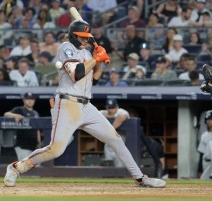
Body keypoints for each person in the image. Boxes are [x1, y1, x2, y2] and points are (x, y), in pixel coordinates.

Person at [3, 19, 166, 188]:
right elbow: (76, 74)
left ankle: (140, 178)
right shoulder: (66, 47)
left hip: (87, 106)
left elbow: (95, 79)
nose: (85, 40)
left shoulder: (87, 54)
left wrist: (100, 60)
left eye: (86, 37)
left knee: (115, 138)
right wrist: (96, 58)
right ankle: (16, 168)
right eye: (82, 37)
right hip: (67, 104)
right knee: (56, 150)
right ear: (73, 36)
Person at [3, 92, 42, 161]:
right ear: (24, 100)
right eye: (27, 99)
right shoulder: (19, 110)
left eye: (32, 99)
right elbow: (6, 114)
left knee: (35, 169)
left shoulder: (36, 113)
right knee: (23, 168)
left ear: (34, 100)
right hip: (22, 146)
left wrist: (39, 143)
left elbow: (37, 130)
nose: (30, 101)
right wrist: (15, 115)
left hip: (34, 147)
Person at [99, 99, 129, 167]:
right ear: (106, 107)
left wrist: (110, 129)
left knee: (120, 165)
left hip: (120, 141)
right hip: (109, 143)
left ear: (117, 107)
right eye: (109, 107)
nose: (111, 109)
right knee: (108, 164)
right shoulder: (103, 112)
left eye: (113, 107)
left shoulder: (121, 111)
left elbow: (121, 117)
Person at [197, 110, 212, 180]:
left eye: (211, 119)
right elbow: (201, 153)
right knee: (203, 181)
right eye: (207, 119)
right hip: (206, 162)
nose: (209, 121)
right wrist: (199, 170)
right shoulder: (204, 135)